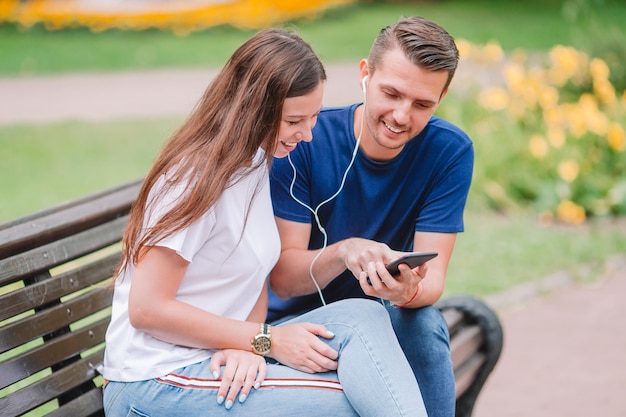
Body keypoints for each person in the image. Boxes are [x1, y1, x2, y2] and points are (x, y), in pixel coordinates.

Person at [101, 28, 428, 417]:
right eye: (294, 121)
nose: (307, 135)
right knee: (352, 404)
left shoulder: (254, 162)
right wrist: (264, 340)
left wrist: (248, 344)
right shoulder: (190, 179)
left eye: (312, 119)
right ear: (252, 108)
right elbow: (147, 309)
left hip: (213, 356)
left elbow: (254, 275)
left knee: (365, 315)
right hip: (154, 379)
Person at [268, 16, 473, 417]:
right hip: (299, 324)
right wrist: (344, 252)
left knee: (423, 323)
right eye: (391, 94)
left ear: (442, 98)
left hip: (383, 321)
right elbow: (284, 279)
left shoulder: (449, 152)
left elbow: (433, 283)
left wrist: (406, 292)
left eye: (422, 104)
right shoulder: (306, 140)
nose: (401, 116)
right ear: (365, 74)